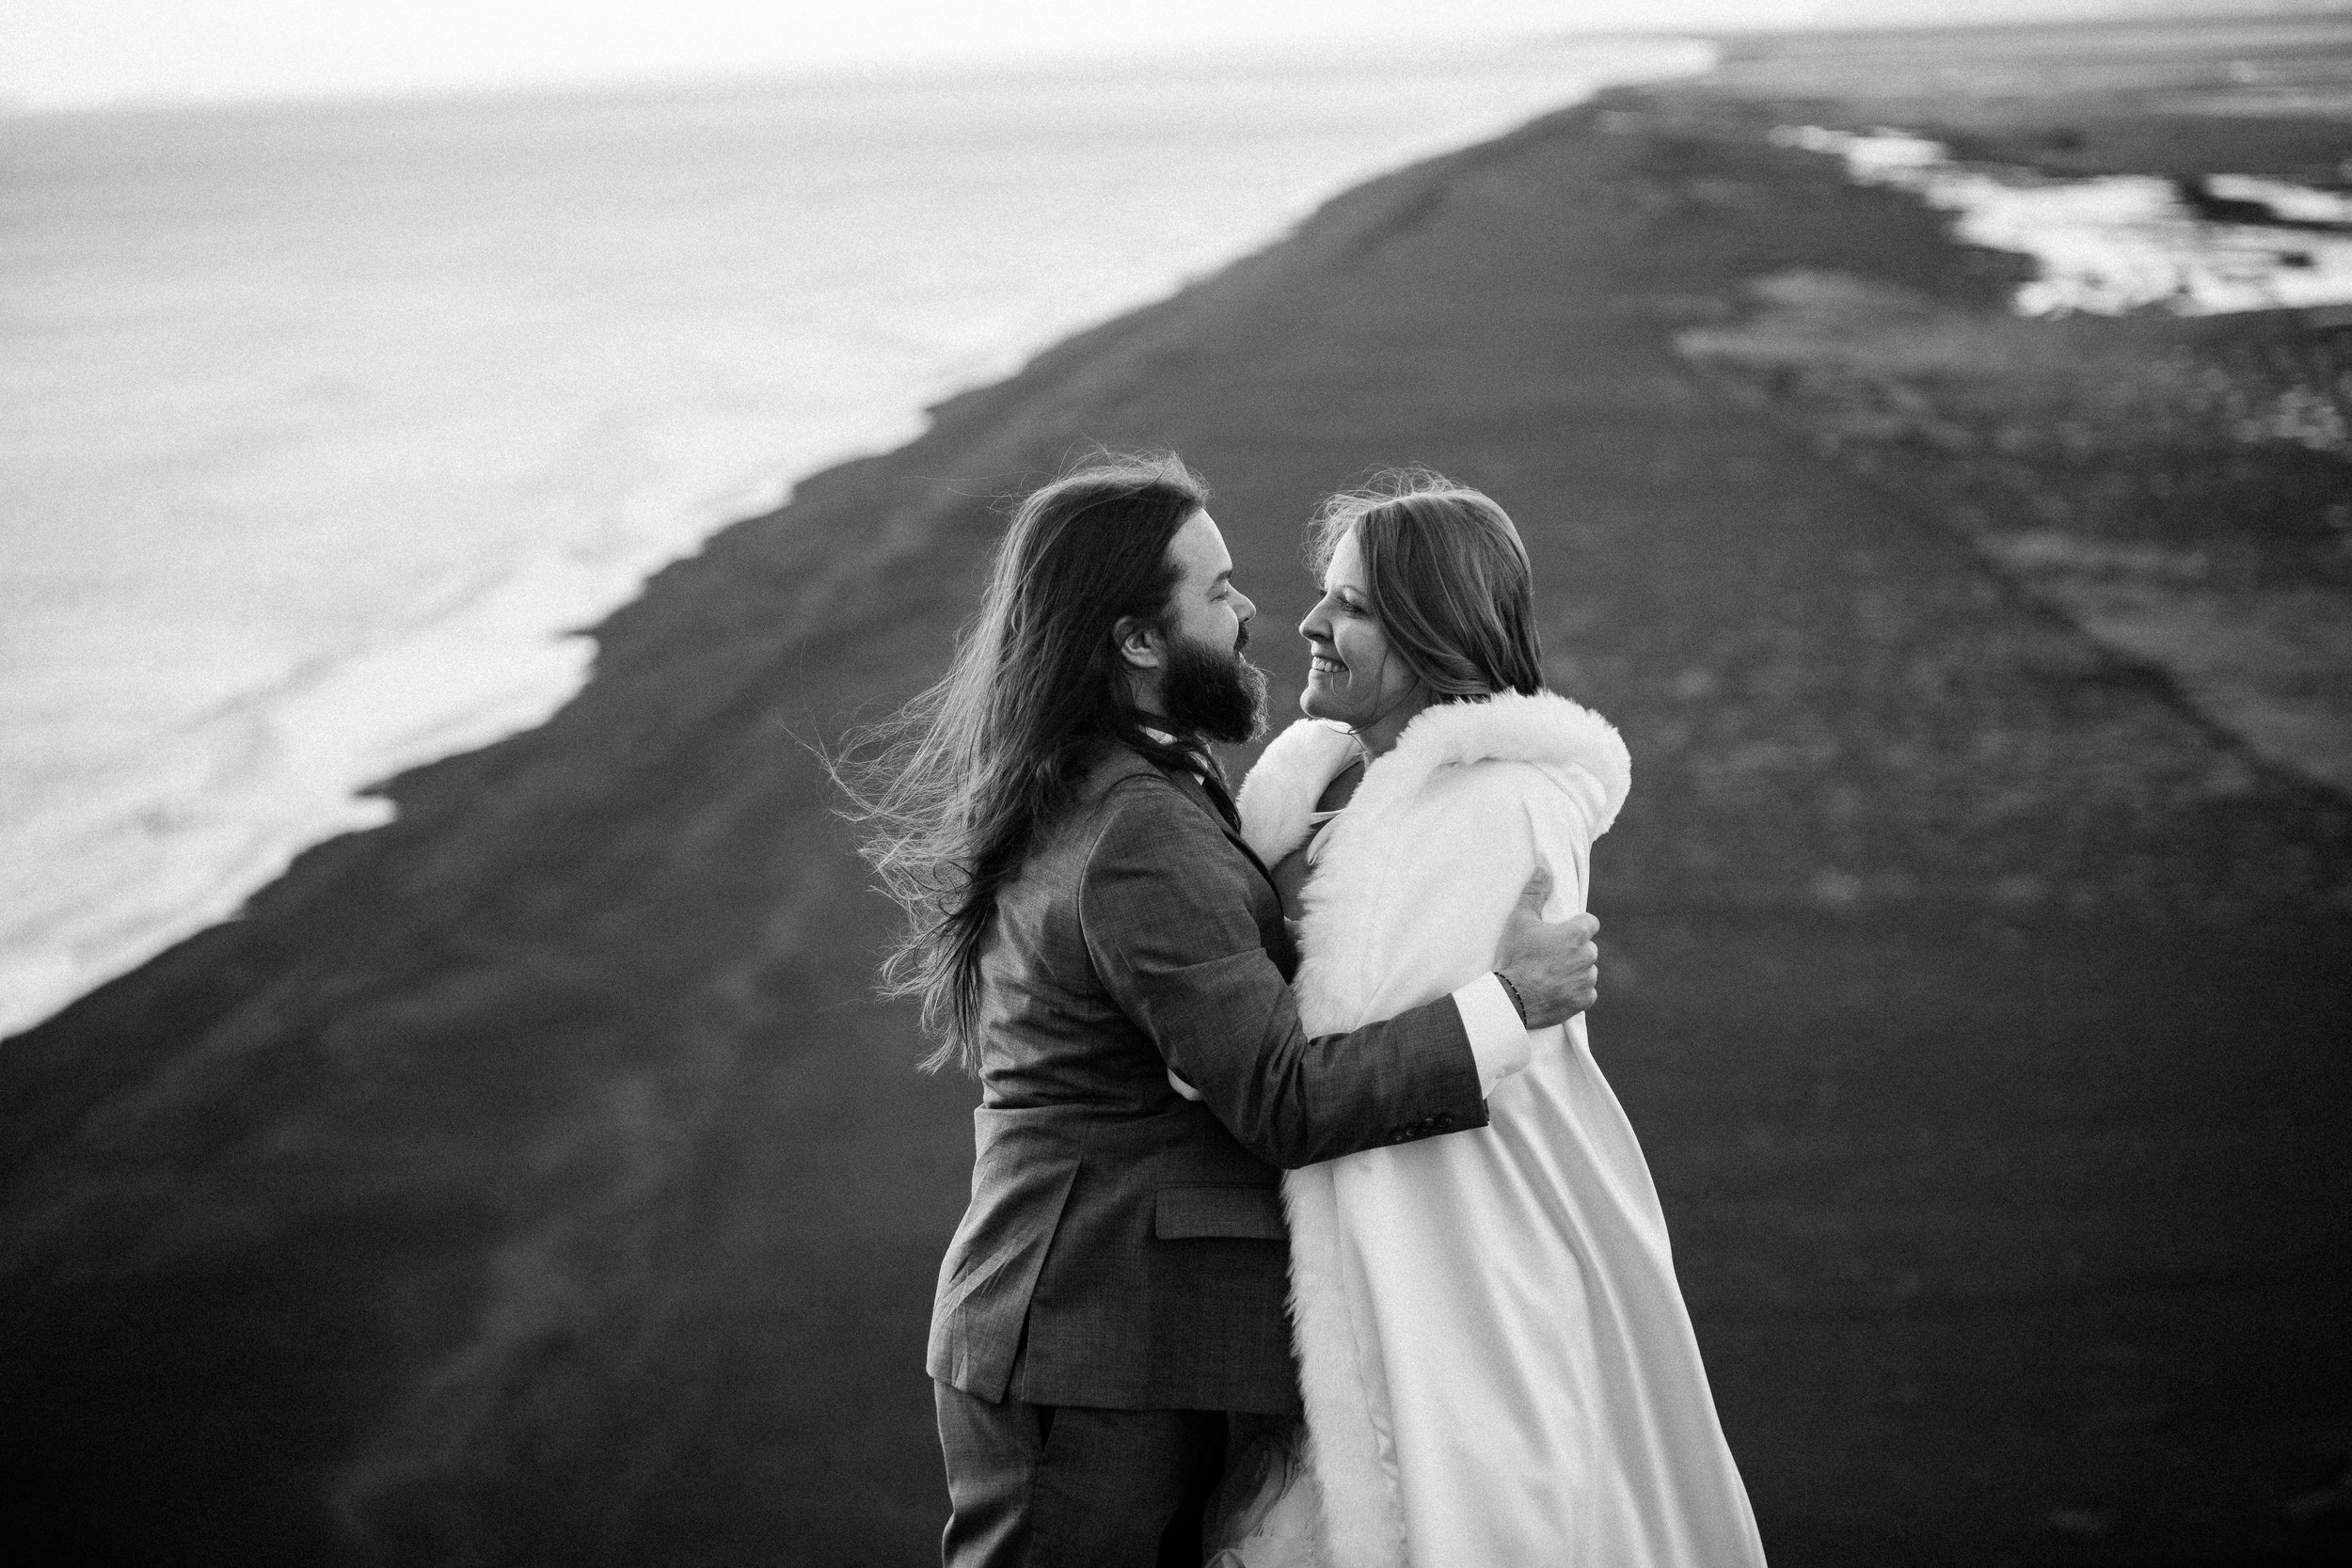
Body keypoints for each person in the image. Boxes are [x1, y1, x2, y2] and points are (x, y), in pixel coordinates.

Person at [832, 453, 1604, 1568]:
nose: (1253, 611)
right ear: (1140, 640)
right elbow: (1283, 1098)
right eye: (1218, 589)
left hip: (1123, 1344)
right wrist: (1508, 1001)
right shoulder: (1138, 825)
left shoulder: (1124, 785)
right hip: (1095, 1349)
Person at [1204, 471, 1767, 1568]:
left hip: (1461, 1273)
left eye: (1355, 605)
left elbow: (1312, 1061)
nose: (1312, 623)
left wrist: (1194, 1032)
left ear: (1437, 628)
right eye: (1326, 594)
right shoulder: (1309, 793)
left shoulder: (1496, 806)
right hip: (1314, 1282)